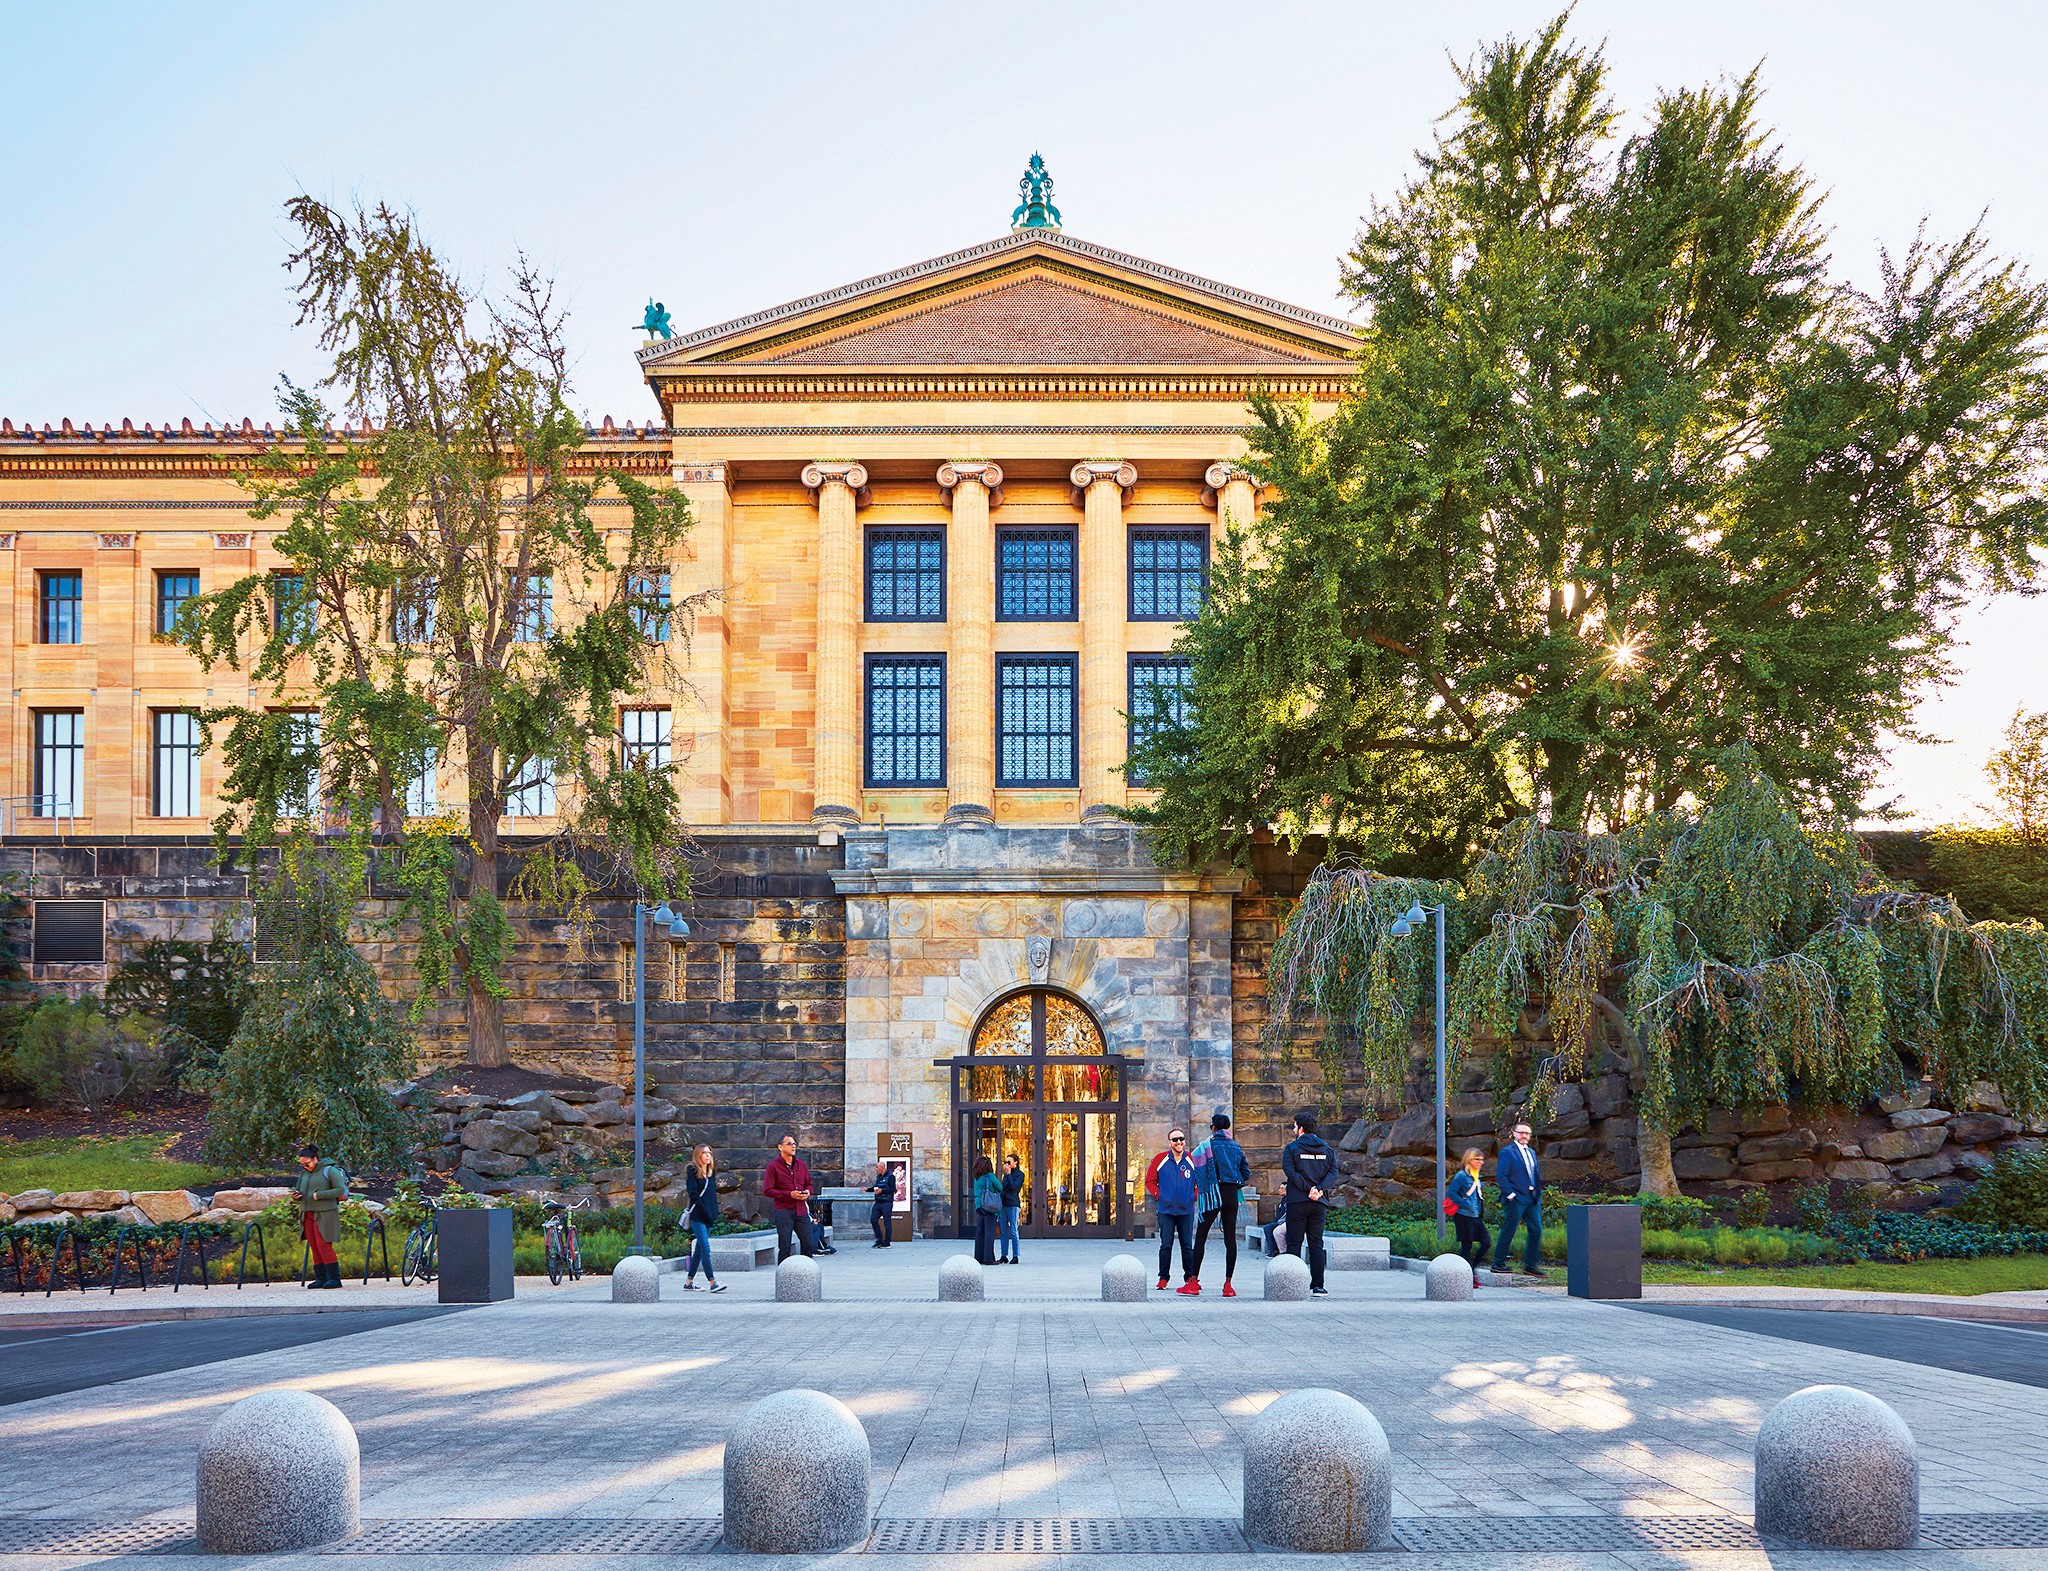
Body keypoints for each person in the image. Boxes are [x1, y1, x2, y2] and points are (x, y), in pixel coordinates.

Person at [1190, 1110, 1250, 1297]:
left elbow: (1195, 1168)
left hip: (1212, 1195)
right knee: (1230, 1238)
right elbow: (1245, 1173)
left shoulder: (1205, 1146)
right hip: (1231, 1193)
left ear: (1214, 1128)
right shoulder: (1236, 1146)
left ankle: (1193, 1282)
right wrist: (1234, 1181)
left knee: (1201, 1236)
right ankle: (1228, 1285)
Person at [1280, 1110, 1335, 1296]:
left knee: (1294, 1242)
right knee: (1316, 1244)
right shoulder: (1327, 1149)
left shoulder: (1292, 1149)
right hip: (1319, 1203)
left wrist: (1307, 1189)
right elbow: (1333, 1173)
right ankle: (1318, 1285)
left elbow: (1291, 1172)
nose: (1294, 1129)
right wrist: (1318, 1190)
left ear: (1301, 1128)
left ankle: (1293, 1283)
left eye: (1295, 1126)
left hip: (1297, 1202)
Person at [1493, 1121, 1546, 1278]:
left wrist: (1538, 1191)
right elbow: (1501, 1175)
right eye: (1521, 1132)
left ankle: (1530, 1265)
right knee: (1509, 1229)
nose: (1524, 1136)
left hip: (1532, 1198)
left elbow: (1535, 1173)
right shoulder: (1508, 1152)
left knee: (1536, 1230)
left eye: (1527, 1133)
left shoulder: (1531, 1152)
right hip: (1516, 1198)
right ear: (1514, 1133)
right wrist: (1511, 1195)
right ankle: (1498, 1263)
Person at [295, 1144, 348, 1289]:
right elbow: (299, 1189)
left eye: (307, 1163)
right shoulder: (305, 1174)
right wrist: (298, 1196)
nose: (305, 1167)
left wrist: (319, 1195)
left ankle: (334, 1278)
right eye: (303, 1165)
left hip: (325, 1213)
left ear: (315, 1159)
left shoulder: (329, 1170)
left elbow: (339, 1190)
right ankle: (321, 1277)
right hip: (308, 1213)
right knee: (314, 1246)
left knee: (324, 1244)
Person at [1152, 1129, 1199, 1292]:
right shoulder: (1160, 1159)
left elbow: (1201, 1181)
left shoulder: (1192, 1159)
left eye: (1181, 1139)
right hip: (1166, 1210)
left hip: (1186, 1210)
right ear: (1169, 1142)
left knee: (1187, 1246)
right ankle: (1163, 1278)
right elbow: (1150, 1181)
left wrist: (1193, 1196)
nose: (1179, 1142)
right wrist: (1159, 1195)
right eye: (1175, 1140)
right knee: (1166, 1245)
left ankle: (1190, 1278)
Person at [682, 1143, 727, 1292]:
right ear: (698, 1155)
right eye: (704, 1153)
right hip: (698, 1216)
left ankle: (689, 1282)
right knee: (705, 1248)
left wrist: (714, 1214)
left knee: (700, 1250)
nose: (708, 1155)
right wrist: (706, 1214)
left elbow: (712, 1196)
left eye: (709, 1153)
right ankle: (712, 1282)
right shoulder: (692, 1171)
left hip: (708, 1216)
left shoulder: (711, 1172)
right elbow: (694, 1195)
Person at [764, 1133, 817, 1262]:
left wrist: (807, 1192)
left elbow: (809, 1184)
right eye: (789, 1144)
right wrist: (789, 1194)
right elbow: (767, 1190)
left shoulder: (801, 1165)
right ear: (780, 1147)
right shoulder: (773, 1166)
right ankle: (783, 1276)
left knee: (808, 1243)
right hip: (783, 1211)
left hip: (801, 1210)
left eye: (794, 1144)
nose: (793, 1146)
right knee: (785, 1246)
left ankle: (805, 1273)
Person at [1447, 1146, 1490, 1287]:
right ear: (1469, 1159)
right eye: (1477, 1159)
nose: (1481, 1162)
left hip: (1476, 1216)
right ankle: (1466, 1276)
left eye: (1482, 1159)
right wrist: (1464, 1204)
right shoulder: (1461, 1176)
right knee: (1467, 1246)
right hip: (1463, 1216)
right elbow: (1451, 1193)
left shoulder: (1476, 1176)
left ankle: (1471, 1268)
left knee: (1486, 1243)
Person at [970, 1155, 1002, 1265]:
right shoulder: (990, 1176)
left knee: (980, 1232)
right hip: (989, 1206)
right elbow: (1000, 1187)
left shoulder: (976, 1177)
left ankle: (978, 1257)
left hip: (979, 1205)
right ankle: (989, 1258)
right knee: (989, 1232)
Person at [997, 1153, 1025, 1264]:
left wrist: (1008, 1174)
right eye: (1006, 1162)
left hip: (1013, 1204)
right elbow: (1003, 1187)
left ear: (1016, 1162)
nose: (1007, 1164)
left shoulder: (1020, 1175)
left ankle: (1015, 1255)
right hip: (1003, 1204)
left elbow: (1014, 1188)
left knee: (1013, 1230)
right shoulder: (1006, 1174)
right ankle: (1004, 1255)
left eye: (1009, 1162)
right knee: (1003, 1231)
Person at [865, 1159, 897, 1248]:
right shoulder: (879, 1177)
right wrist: (868, 1190)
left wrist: (882, 1191)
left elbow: (892, 1189)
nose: (876, 1169)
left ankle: (887, 1242)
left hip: (887, 1202)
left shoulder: (891, 1177)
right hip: (878, 1202)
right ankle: (879, 1239)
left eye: (877, 1167)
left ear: (883, 1168)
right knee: (873, 1219)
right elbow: (876, 1187)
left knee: (887, 1222)